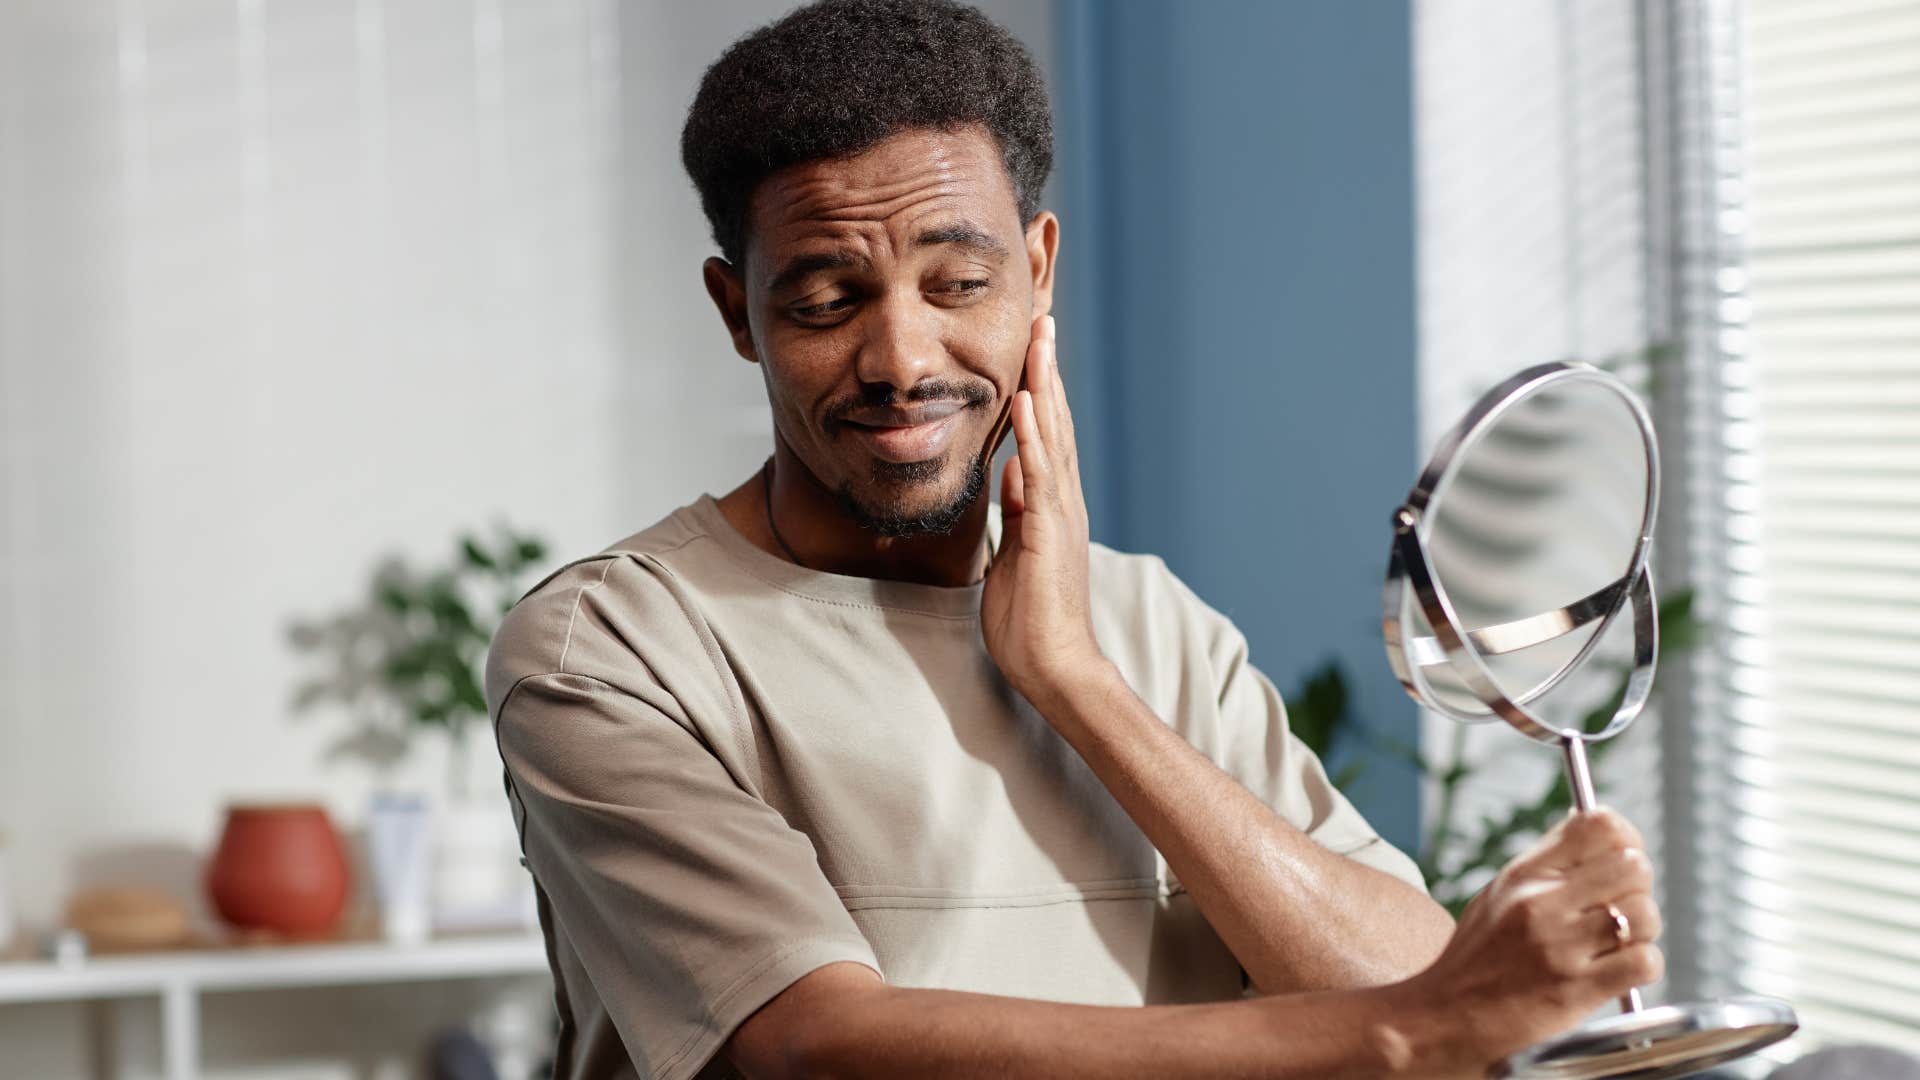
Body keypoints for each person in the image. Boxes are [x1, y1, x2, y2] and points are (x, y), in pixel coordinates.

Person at [483, 2, 1664, 1077]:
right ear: (737, 310)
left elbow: (1403, 968)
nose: (900, 360)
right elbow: (811, 1048)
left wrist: (1074, 677)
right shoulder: (612, 650)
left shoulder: (1149, 625)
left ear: (1037, 273)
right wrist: (1408, 1034)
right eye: (826, 301)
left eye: (957, 284)